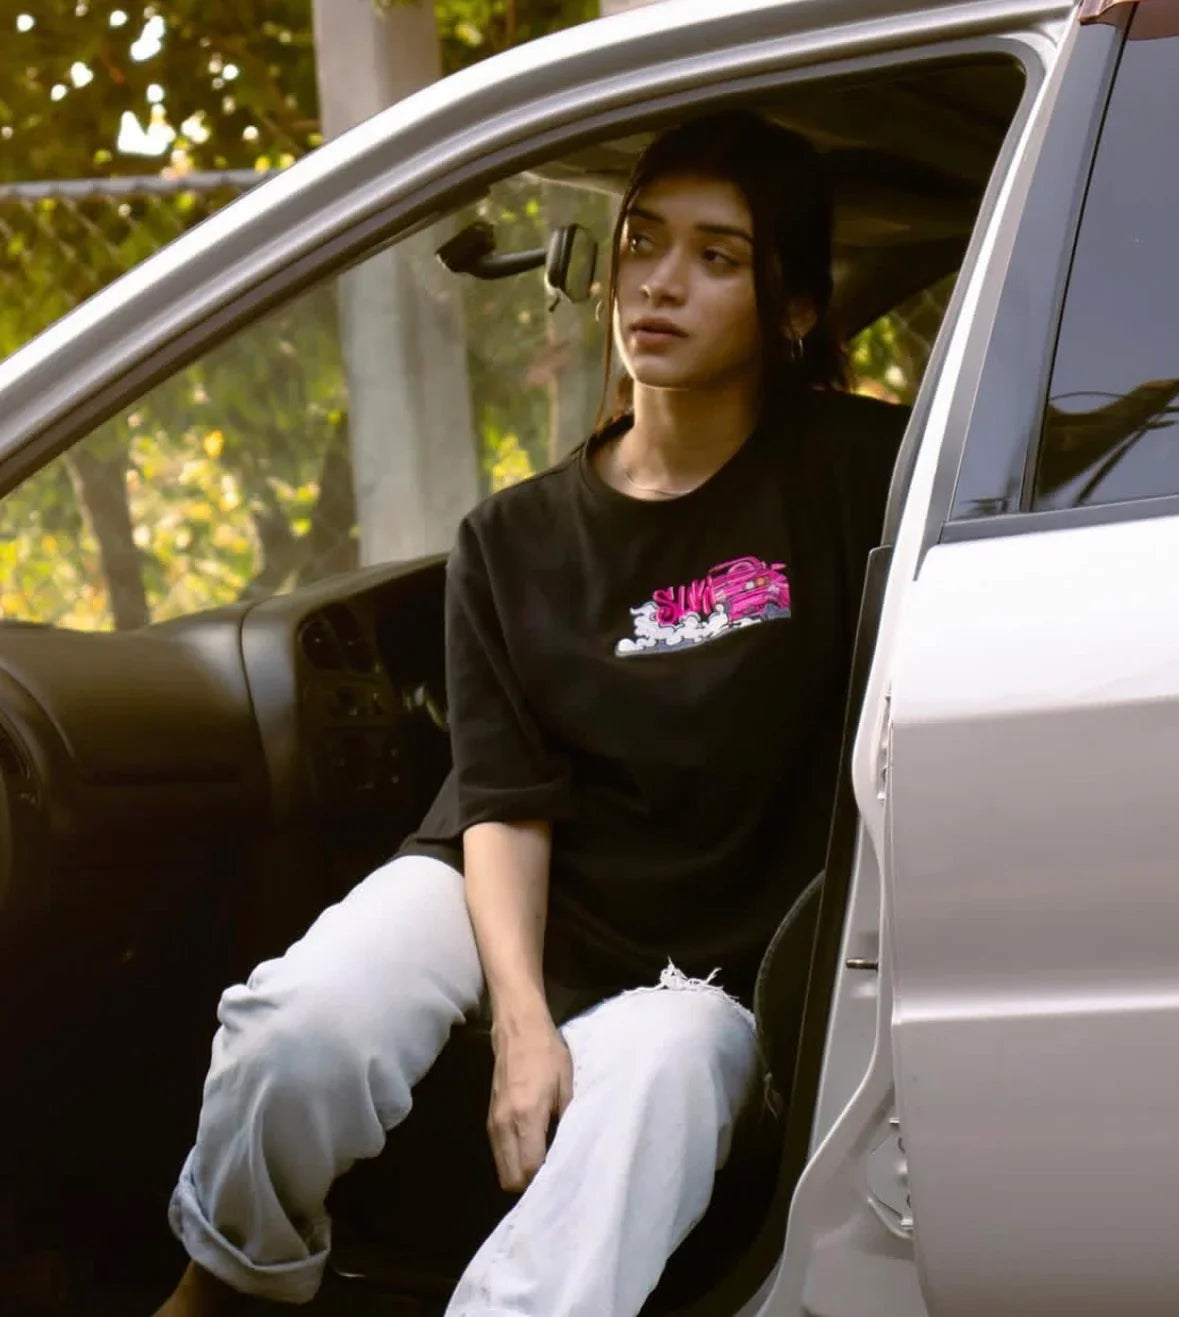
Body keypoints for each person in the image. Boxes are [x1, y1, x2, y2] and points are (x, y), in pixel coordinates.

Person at [153, 110, 906, 1316]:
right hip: (515, 883)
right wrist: (521, 1024)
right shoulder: (511, 537)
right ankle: (231, 1278)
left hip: (709, 974)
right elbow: (505, 797)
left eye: (717, 257)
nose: (659, 282)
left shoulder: (860, 473)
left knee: (657, 1073)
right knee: (299, 1031)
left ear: (794, 309)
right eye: (644, 241)